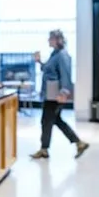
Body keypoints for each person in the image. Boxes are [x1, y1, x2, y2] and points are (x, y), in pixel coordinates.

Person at [30, 29, 90, 159]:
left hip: (55, 95)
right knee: (54, 120)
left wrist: (64, 92)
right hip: (50, 93)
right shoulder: (54, 54)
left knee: (47, 120)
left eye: (51, 38)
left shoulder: (62, 55)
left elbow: (65, 74)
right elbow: (49, 70)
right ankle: (78, 143)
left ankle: (45, 149)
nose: (48, 41)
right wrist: (39, 62)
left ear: (58, 40)